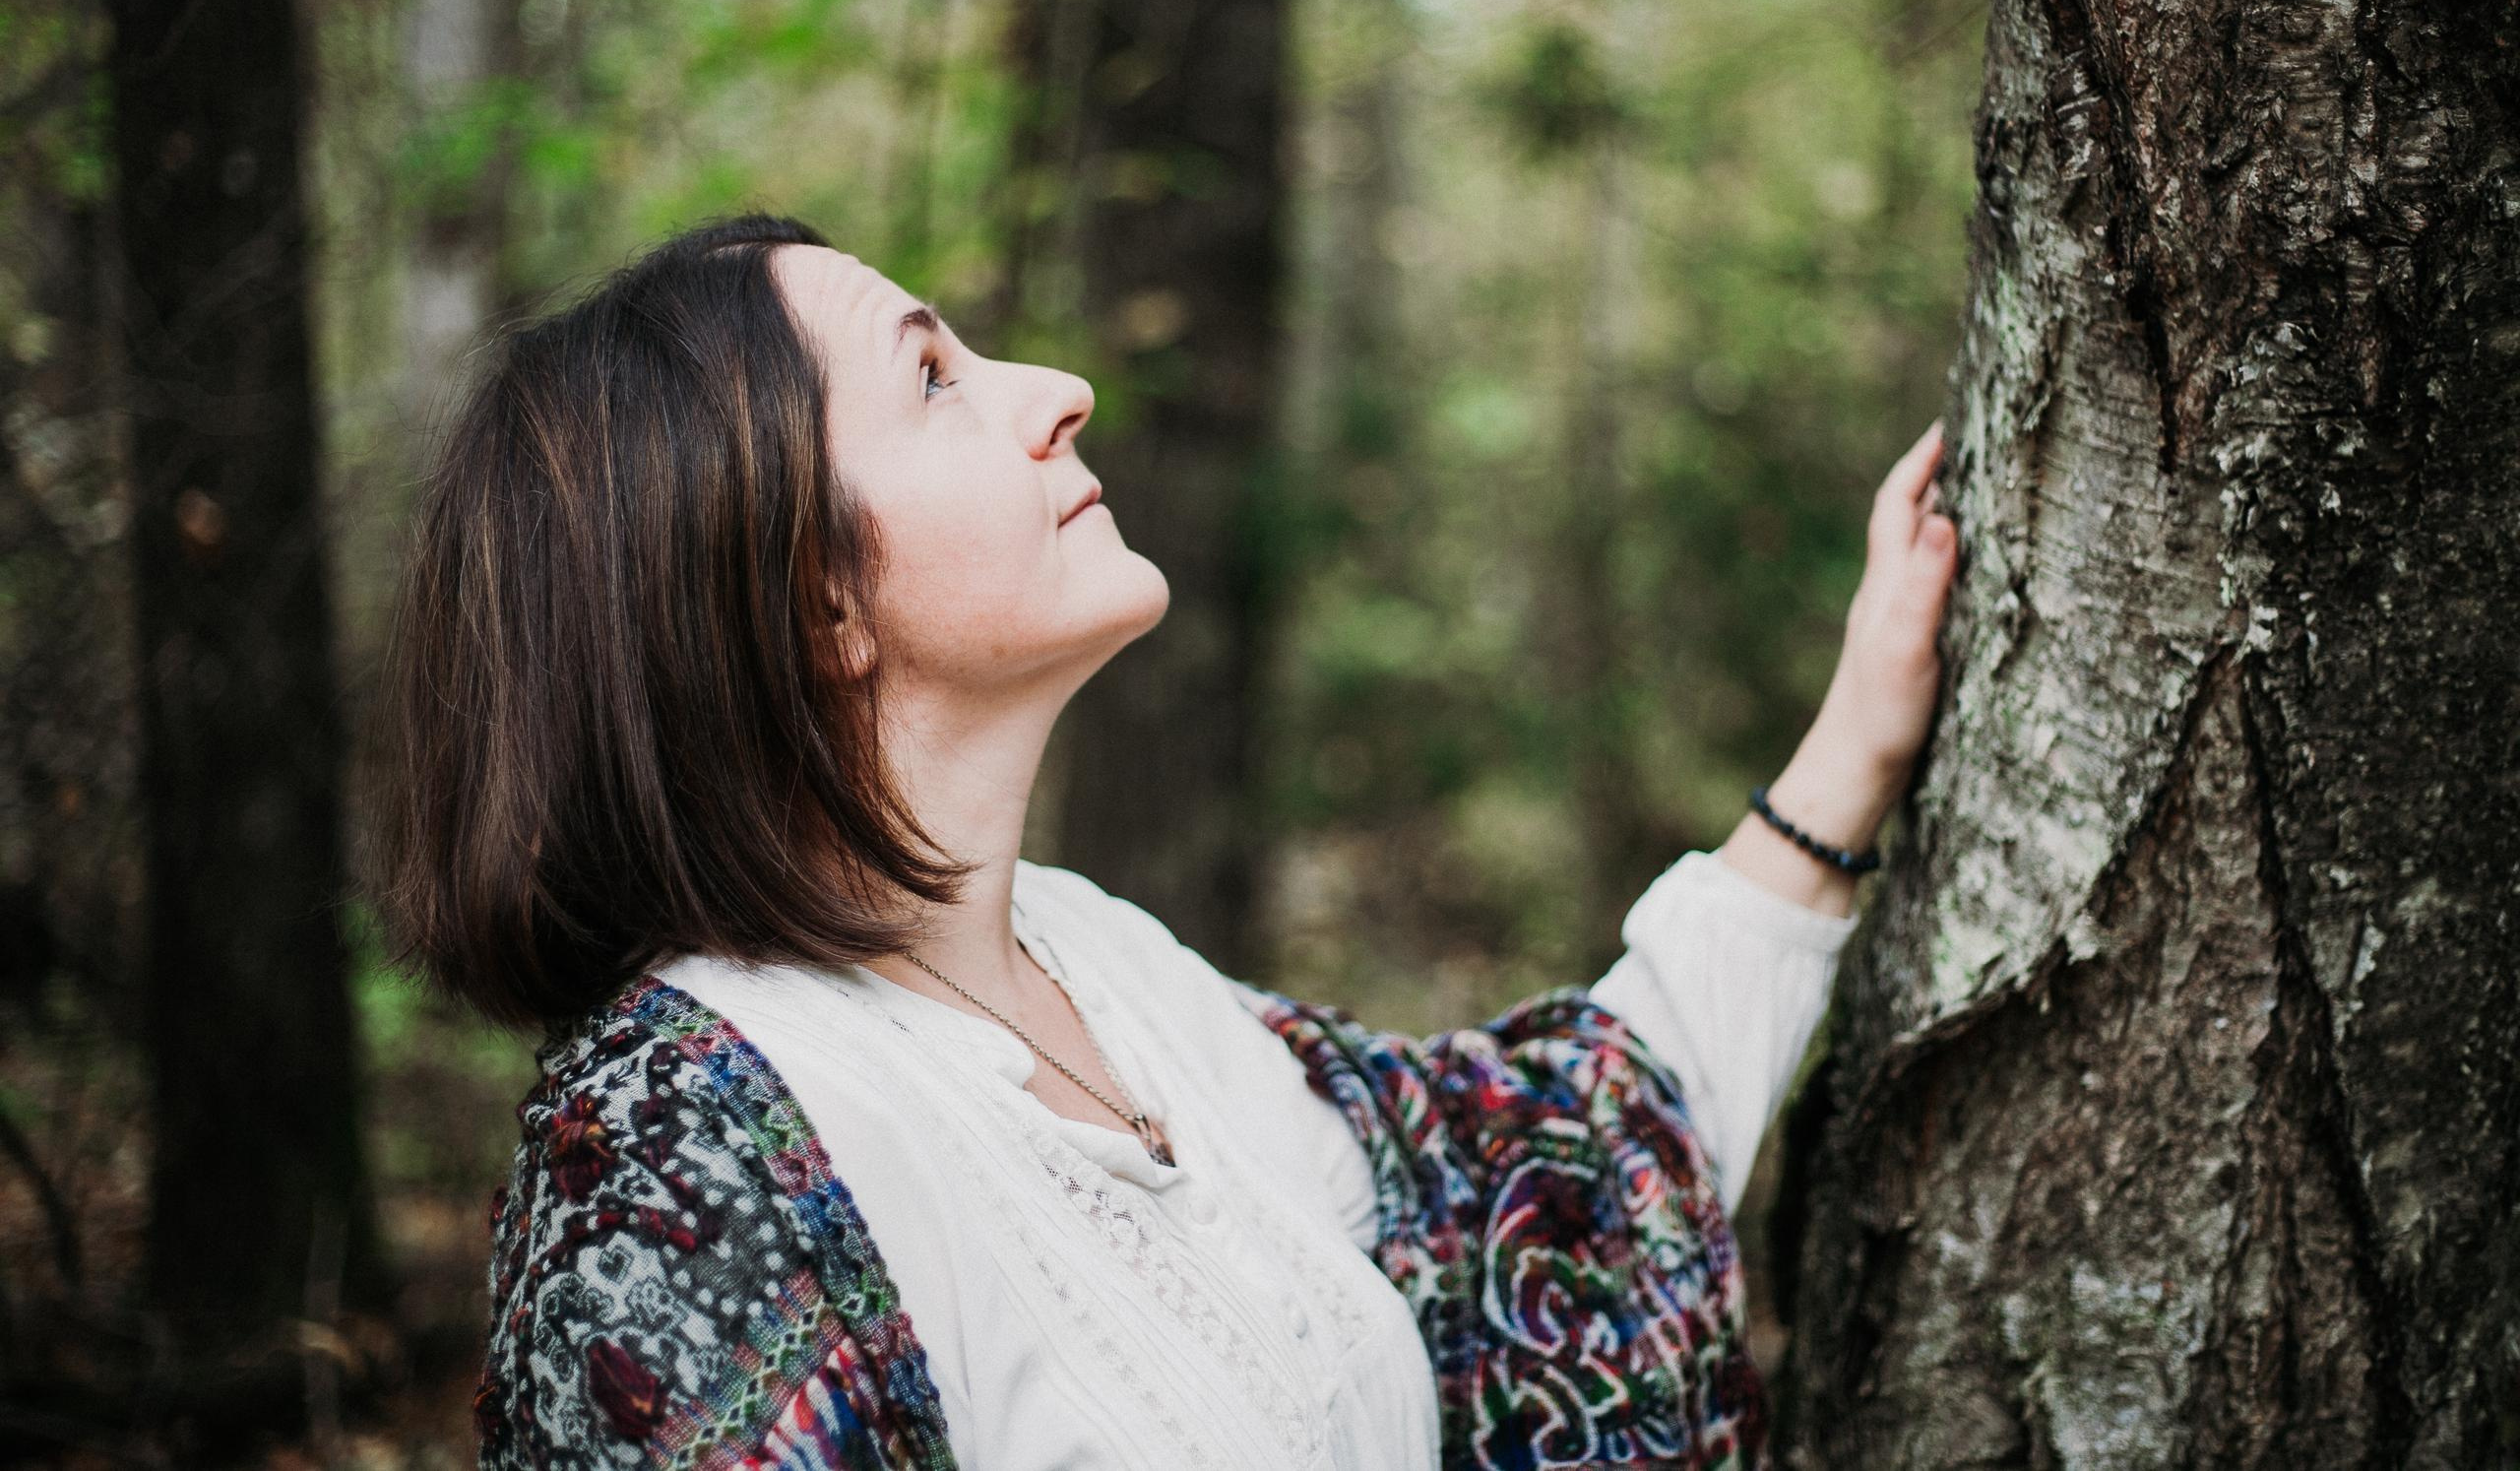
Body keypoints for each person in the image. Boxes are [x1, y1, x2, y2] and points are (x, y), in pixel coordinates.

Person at [368, 212, 1957, 1470]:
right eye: (933, 378)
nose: (1054, 392)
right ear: (810, 599)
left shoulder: (1095, 962)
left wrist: (1849, 754)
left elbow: (1533, 1182)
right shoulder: (679, 1164)